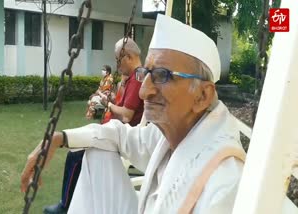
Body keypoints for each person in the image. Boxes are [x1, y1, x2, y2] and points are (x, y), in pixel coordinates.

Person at [22, 14, 246, 214]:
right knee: (97, 152)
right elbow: (120, 135)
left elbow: (126, 117)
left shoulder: (225, 184)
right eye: (146, 74)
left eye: (162, 75)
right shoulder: (172, 132)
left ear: (203, 96)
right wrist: (59, 138)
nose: (144, 91)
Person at [42, 38, 144, 214]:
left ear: (128, 56)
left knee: (76, 154)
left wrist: (108, 105)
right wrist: (109, 99)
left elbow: (127, 115)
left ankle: (65, 206)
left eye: (118, 60)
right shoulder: (133, 78)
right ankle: (74, 204)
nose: (117, 65)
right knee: (79, 151)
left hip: (123, 137)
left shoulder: (137, 77)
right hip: (114, 131)